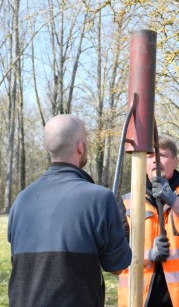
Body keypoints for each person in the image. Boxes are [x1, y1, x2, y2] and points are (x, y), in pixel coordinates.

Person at [8, 114, 132, 307]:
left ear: (48, 148)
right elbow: (117, 266)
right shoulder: (100, 199)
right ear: (80, 147)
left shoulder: (21, 200)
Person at [118, 136, 179, 307]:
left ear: (175, 161)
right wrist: (149, 255)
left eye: (162, 155)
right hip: (136, 300)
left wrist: (172, 199)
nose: (155, 160)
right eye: (149, 156)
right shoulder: (127, 202)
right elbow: (117, 256)